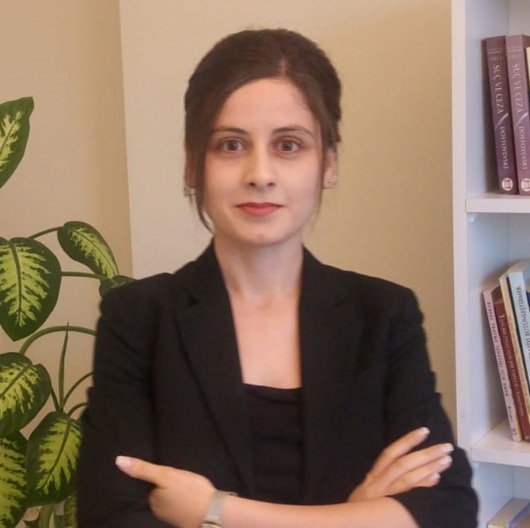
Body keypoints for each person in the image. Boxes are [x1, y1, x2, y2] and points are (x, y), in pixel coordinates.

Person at [76, 28, 478, 528]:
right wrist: (355, 515)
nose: (260, 173)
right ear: (191, 164)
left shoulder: (385, 315)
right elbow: (111, 518)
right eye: (230, 145)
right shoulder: (138, 319)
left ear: (328, 164)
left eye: (289, 145)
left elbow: (449, 511)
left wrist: (214, 511)